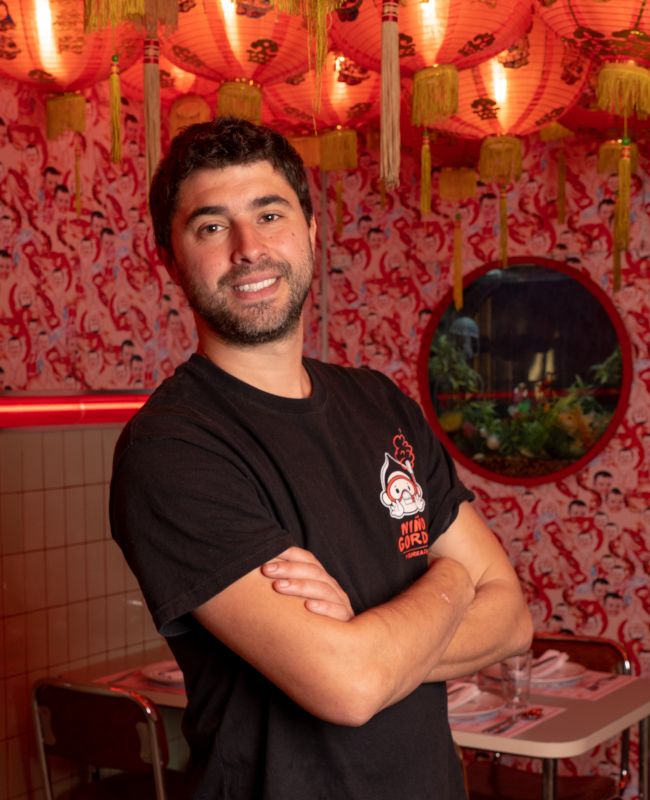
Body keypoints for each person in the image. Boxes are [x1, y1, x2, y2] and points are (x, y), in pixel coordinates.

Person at [109, 117, 532, 800]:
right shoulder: (172, 448)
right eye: (211, 227)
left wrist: (368, 642)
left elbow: (511, 619)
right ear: (170, 260)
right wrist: (455, 580)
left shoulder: (383, 405)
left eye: (269, 214)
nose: (249, 249)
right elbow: (349, 685)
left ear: (310, 232)